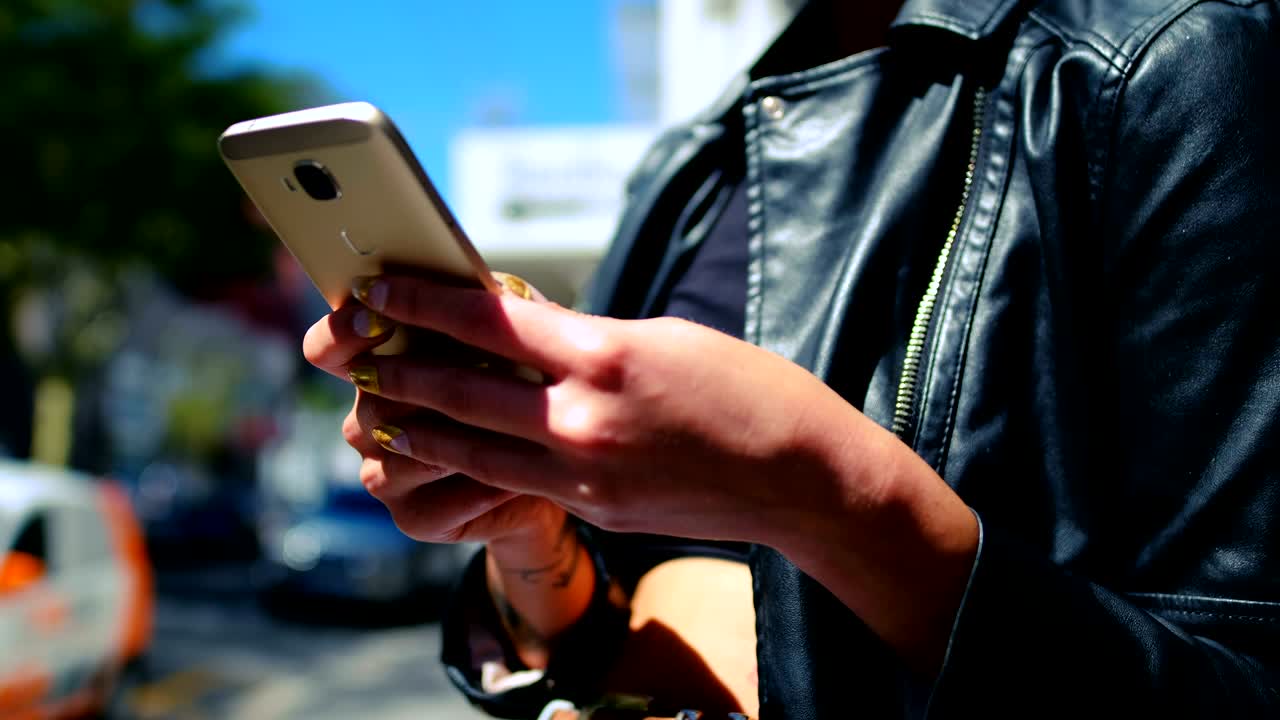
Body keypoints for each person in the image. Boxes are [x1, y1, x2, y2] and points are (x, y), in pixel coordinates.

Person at [302, 0, 1280, 717]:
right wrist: (531, 541)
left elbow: (1240, 683)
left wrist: (816, 492)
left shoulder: (1164, 62)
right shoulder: (689, 164)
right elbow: (610, 628)